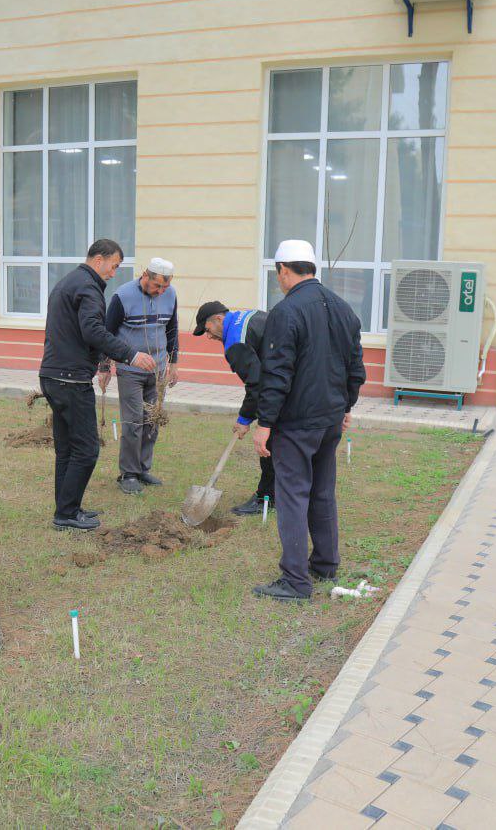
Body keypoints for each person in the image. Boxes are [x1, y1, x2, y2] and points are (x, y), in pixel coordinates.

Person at [251, 239, 366, 601]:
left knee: (292, 497)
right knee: (321, 491)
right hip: (330, 419)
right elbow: (355, 367)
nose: (279, 281)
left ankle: (296, 581)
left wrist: (265, 424)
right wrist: (346, 406)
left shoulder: (286, 312)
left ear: (284, 271)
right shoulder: (343, 308)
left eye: (278, 275)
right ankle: (325, 564)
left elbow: (277, 373)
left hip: (297, 423)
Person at [39, 239, 158, 530]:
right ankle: (67, 514)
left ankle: (67, 509)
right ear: (99, 260)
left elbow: (79, 331)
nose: (114, 272)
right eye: (114, 266)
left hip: (53, 374)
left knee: (68, 448)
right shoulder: (88, 287)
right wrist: (130, 354)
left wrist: (103, 362)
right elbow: (93, 330)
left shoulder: (69, 282)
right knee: (87, 449)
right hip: (70, 379)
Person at [98, 258, 179, 494]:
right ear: (145, 275)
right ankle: (128, 473)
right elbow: (106, 333)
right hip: (130, 370)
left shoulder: (170, 294)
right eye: (157, 287)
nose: (161, 292)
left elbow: (172, 328)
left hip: (158, 370)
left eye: (165, 287)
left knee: (152, 420)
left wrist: (174, 362)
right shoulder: (122, 296)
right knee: (133, 422)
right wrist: (104, 367)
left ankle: (143, 468)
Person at [192, 299, 272, 515]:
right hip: (296, 378)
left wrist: (244, 419)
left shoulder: (235, 341)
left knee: (269, 444)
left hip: (282, 388)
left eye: (207, 330)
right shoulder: (249, 315)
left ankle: (267, 497)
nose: (208, 337)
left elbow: (255, 384)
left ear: (218, 319)